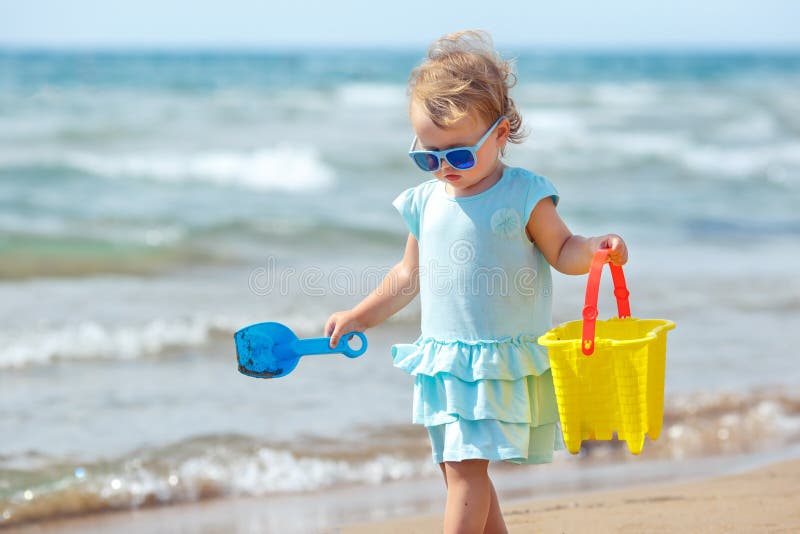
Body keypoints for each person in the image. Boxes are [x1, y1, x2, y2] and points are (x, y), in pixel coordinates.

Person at [325, 29, 628, 533]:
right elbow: (406, 276)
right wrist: (360, 314)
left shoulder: (523, 193)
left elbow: (562, 250)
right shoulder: (425, 202)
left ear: (502, 133)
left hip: (495, 359)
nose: (445, 167)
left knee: (467, 474)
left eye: (460, 154)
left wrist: (598, 251)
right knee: (456, 472)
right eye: (429, 155)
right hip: (444, 360)